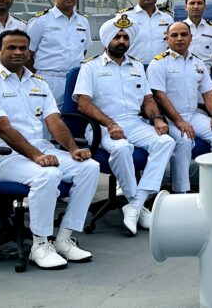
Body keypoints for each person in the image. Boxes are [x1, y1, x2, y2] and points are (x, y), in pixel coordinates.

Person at [0, 29, 99, 269]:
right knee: (47, 175)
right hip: (3, 158)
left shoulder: (39, 83)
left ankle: (64, 238)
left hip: (40, 150)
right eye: (11, 48)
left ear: (30, 53)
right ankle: (40, 245)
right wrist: (37, 156)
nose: (18, 52)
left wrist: (72, 149)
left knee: (89, 167)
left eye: (23, 48)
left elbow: (54, 121)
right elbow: (4, 129)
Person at [74, 15, 176, 236]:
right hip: (102, 125)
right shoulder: (90, 67)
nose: (121, 41)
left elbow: (148, 99)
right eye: (117, 37)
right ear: (106, 40)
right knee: (121, 148)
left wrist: (157, 118)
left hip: (134, 122)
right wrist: (110, 123)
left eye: (125, 37)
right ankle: (136, 204)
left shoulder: (137, 65)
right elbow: (83, 103)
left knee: (166, 142)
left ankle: (135, 204)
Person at [147, 21, 212, 193]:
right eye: (174, 35)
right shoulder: (159, 63)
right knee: (184, 140)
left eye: (183, 35)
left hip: (193, 115)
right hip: (168, 118)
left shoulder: (198, 63)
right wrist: (179, 121)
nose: (179, 38)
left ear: (191, 38)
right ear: (167, 39)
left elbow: (208, 92)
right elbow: (159, 96)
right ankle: (181, 191)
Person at [27, 0, 90, 108]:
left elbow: (83, 51)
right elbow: (27, 55)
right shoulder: (40, 21)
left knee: (73, 116)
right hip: (48, 79)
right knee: (47, 116)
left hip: (75, 80)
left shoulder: (83, 21)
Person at [112, 0, 173, 64]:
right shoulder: (124, 16)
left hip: (161, 66)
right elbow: (112, 41)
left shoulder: (167, 18)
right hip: (133, 66)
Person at [182, 0, 212, 70]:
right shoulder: (178, 28)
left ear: (205, 6)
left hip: (205, 73)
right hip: (182, 72)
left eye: (199, 3)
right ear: (186, 7)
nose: (196, 6)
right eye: (192, 3)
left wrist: (207, 70)